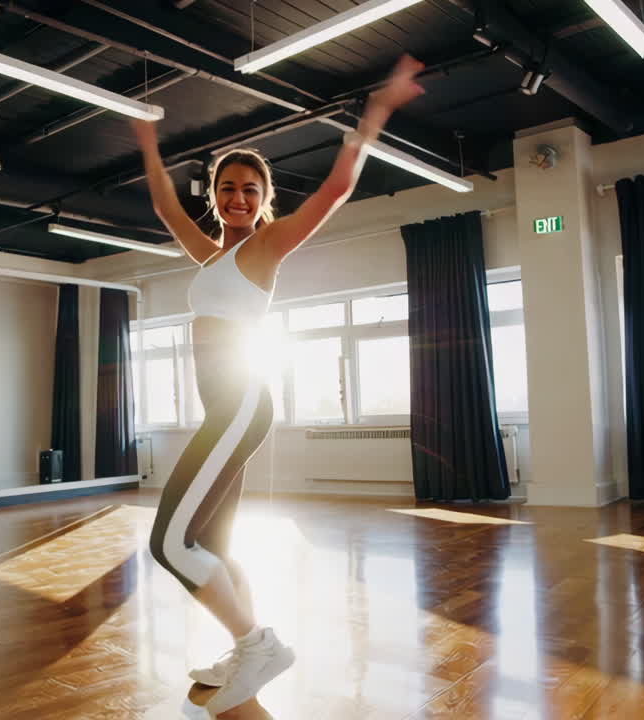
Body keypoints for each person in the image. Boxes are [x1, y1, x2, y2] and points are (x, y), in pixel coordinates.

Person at [135, 54, 428, 715]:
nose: (238, 198)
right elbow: (161, 203)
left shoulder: (266, 248)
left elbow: (337, 191)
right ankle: (246, 650)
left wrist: (376, 111)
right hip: (227, 407)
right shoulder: (211, 254)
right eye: (228, 188)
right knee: (211, 544)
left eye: (251, 190)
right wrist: (148, 139)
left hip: (240, 405)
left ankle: (257, 641)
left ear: (266, 201)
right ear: (214, 194)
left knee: (167, 543)